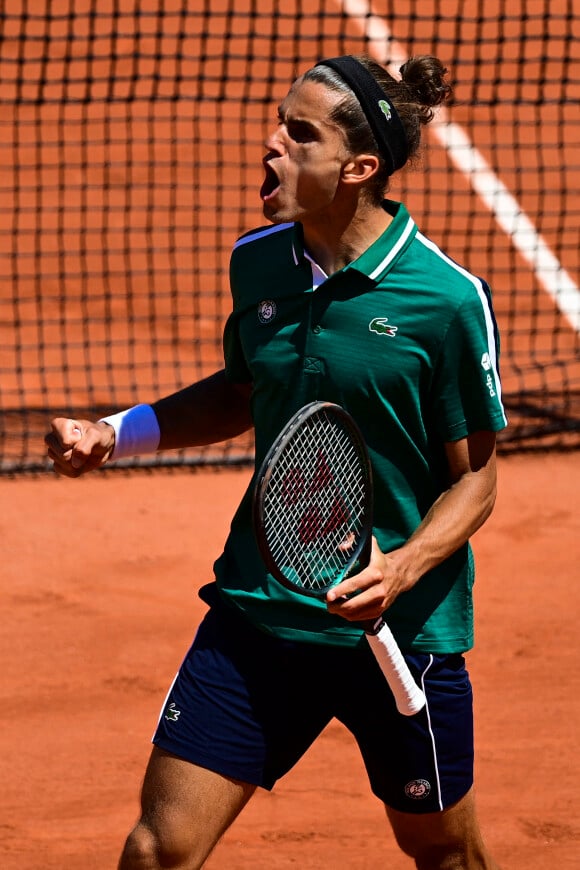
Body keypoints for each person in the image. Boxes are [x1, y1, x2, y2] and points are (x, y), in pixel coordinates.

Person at [45, 54, 506, 869]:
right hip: (260, 608)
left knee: (447, 857)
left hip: (401, 630)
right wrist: (116, 433)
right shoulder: (258, 263)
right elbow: (238, 390)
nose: (271, 144)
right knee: (158, 850)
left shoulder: (444, 299)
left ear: (359, 167)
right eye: (278, 125)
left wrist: (398, 571)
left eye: (300, 134)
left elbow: (475, 477)